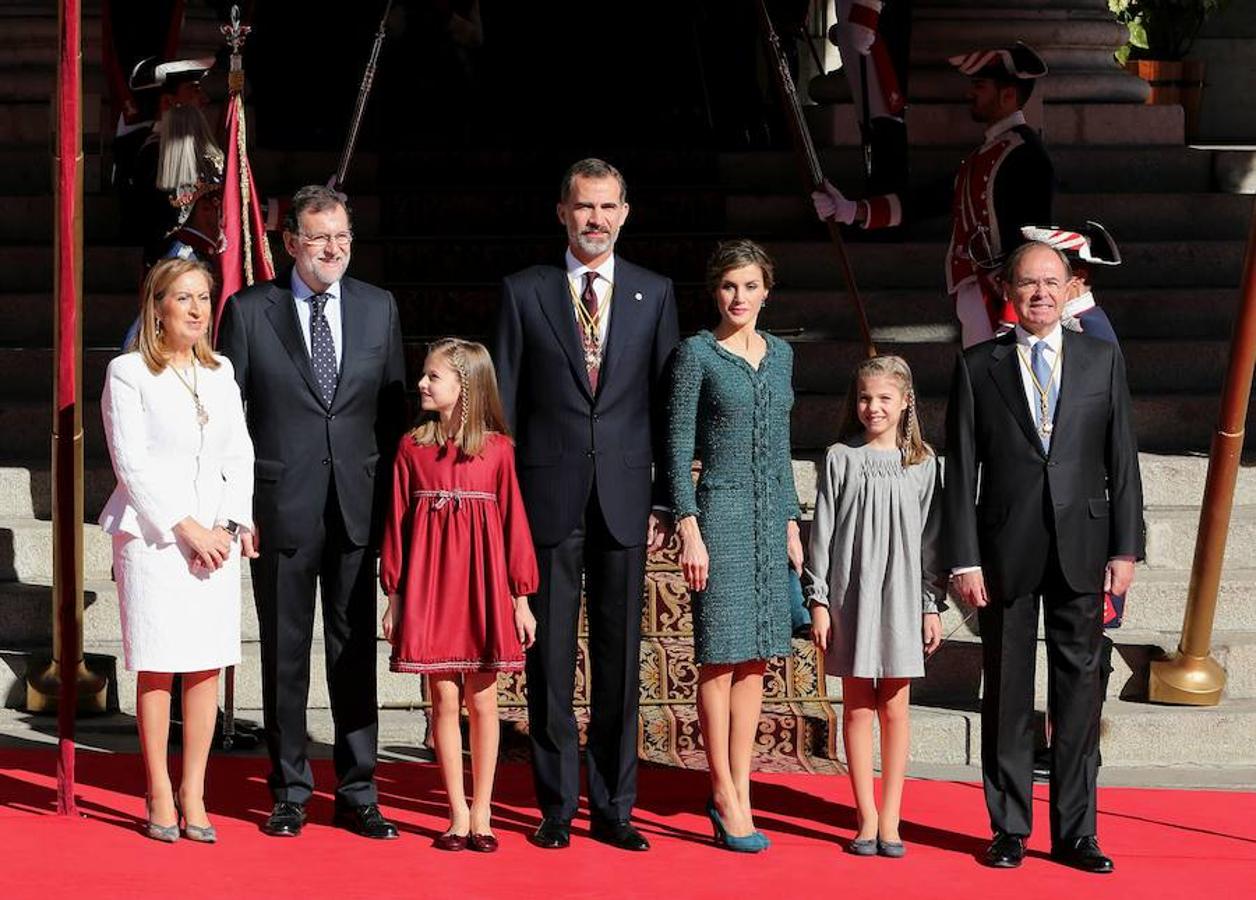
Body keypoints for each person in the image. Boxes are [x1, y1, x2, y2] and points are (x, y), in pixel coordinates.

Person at [493, 158, 679, 852]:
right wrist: (506, 510)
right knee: (548, 663)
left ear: (624, 213)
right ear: (561, 212)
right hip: (545, 501)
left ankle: (614, 806)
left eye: (607, 207)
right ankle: (554, 806)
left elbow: (667, 408)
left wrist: (666, 499)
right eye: (583, 207)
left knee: (618, 660)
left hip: (628, 501)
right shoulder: (524, 292)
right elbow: (503, 409)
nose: (595, 219)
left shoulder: (654, 294)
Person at [943, 241, 1144, 874]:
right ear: (1010, 289)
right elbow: (961, 474)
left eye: (1050, 283)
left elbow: (1123, 461)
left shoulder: (1100, 359)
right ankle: (1008, 828)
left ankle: (1077, 832)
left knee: (1079, 692)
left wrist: (1126, 547)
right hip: (1005, 548)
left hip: (1084, 545)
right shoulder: (979, 365)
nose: (1039, 294)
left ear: (1068, 288)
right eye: (1028, 283)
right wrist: (963, 559)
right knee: (1005, 688)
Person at [217, 185, 409, 840]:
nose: (334, 249)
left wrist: (394, 513)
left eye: (343, 237)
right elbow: (226, 421)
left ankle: (358, 789)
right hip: (280, 506)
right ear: (291, 242)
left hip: (358, 506)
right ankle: (290, 789)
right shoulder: (248, 311)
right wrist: (235, 508)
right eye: (320, 237)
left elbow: (394, 417)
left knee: (354, 652)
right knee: (285, 653)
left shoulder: (378, 307)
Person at [99, 258, 256, 843]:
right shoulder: (128, 372)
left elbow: (239, 454)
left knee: (206, 662)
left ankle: (195, 787)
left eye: (204, 297)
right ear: (157, 306)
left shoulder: (221, 372)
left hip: (217, 539)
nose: (196, 309)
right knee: (160, 661)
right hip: (156, 539)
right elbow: (131, 464)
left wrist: (230, 524)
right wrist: (186, 527)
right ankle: (159, 788)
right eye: (183, 297)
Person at [666, 239, 804, 853]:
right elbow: (673, 448)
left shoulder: (783, 356)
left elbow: (781, 445)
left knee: (757, 658)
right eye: (729, 287)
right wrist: (687, 525)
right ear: (714, 292)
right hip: (718, 511)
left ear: (766, 290)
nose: (739, 297)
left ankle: (741, 783)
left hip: (770, 514)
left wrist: (793, 523)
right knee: (720, 655)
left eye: (750, 286)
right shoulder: (694, 354)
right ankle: (721, 788)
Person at [379, 338, 539, 853]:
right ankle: (456, 811)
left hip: (484, 584)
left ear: (465, 386)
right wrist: (396, 594)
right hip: (430, 586)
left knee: (483, 701)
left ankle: (485, 809)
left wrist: (522, 598)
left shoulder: (498, 450)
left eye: (432, 377)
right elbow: (397, 525)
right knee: (443, 699)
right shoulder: (412, 448)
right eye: (424, 376)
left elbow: (516, 524)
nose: (421, 384)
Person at [813, 42, 1053, 348]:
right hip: (977, 295)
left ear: (1007, 95)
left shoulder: (1027, 153)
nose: (970, 94)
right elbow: (929, 200)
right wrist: (852, 210)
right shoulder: (985, 153)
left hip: (1001, 299)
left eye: (979, 86)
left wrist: (1014, 302)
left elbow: (1035, 236)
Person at [804, 355, 943, 858]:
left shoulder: (925, 464)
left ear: (906, 401)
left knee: (896, 708)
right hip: (851, 594)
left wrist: (932, 604)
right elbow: (822, 533)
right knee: (858, 704)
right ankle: (864, 816)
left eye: (884, 398)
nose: (873, 407)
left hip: (904, 596)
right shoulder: (841, 457)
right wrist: (818, 600)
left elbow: (932, 541)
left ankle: (892, 818)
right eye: (865, 397)